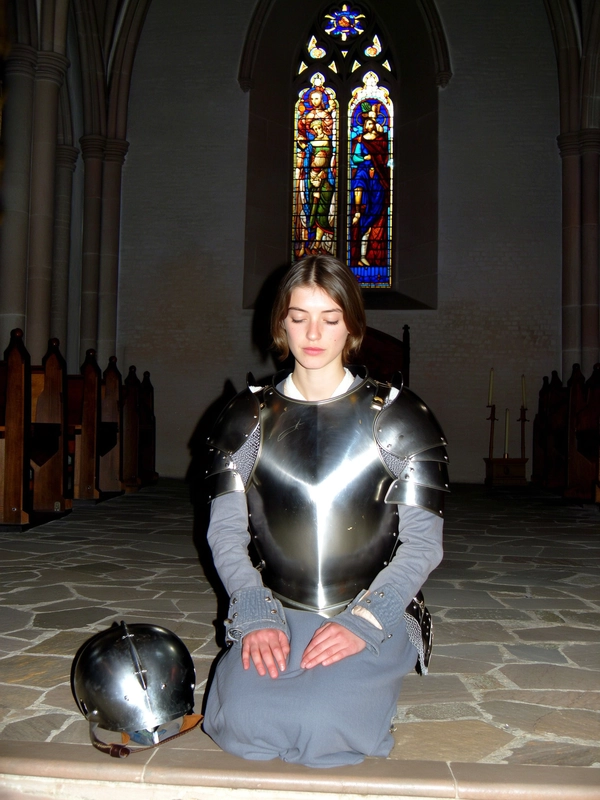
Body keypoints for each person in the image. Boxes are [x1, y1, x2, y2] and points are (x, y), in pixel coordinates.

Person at [202, 255, 448, 768]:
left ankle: (358, 686)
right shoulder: (244, 417)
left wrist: (365, 619)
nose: (314, 332)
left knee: (324, 726)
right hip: (277, 603)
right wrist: (251, 611)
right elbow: (225, 533)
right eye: (299, 316)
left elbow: (422, 545)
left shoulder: (400, 418)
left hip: (375, 602)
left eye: (330, 318)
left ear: (353, 326)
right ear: (280, 324)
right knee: (241, 720)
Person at [350, 113, 390, 267]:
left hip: (377, 177)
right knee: (358, 186)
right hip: (364, 172)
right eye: (367, 123)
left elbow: (384, 158)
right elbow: (354, 158)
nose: (369, 125)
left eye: (371, 123)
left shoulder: (381, 140)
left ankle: (366, 256)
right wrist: (365, 159)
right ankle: (358, 210)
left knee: (375, 214)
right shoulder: (360, 141)